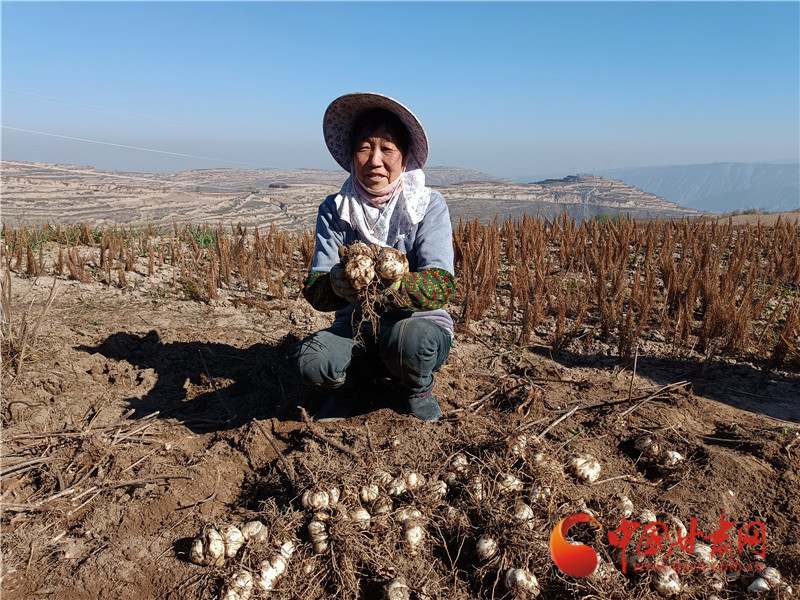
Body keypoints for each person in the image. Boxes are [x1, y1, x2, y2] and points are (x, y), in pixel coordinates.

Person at [291, 92, 456, 422]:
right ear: (352, 155)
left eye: (387, 149)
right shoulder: (335, 209)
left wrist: (390, 284)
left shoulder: (428, 205)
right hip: (356, 328)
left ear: (405, 156)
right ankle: (349, 388)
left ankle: (417, 388)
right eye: (364, 148)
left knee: (410, 342)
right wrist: (336, 285)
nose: (374, 160)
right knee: (311, 361)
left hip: (416, 325)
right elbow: (316, 289)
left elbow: (441, 285)